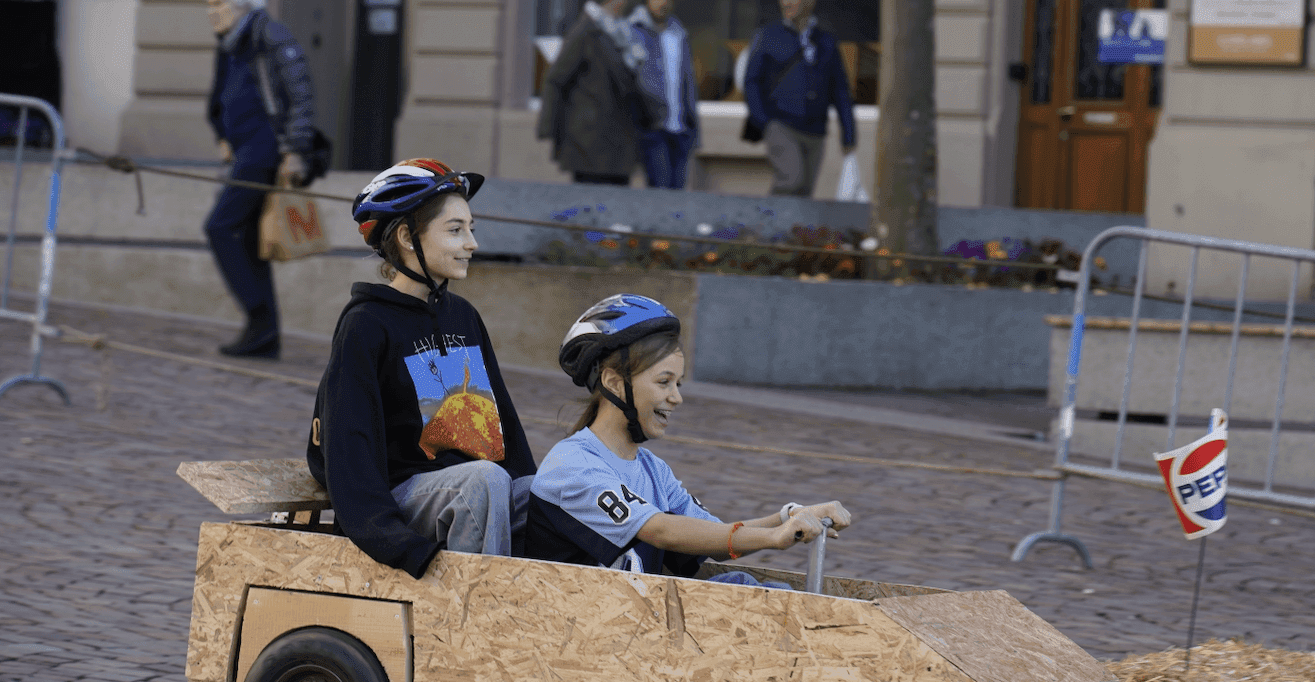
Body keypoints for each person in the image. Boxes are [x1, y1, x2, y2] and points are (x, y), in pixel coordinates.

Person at [307, 159, 536, 579]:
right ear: (406, 238)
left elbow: (506, 432)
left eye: (471, 228)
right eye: (455, 230)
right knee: (484, 483)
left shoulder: (464, 316)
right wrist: (396, 542)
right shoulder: (366, 324)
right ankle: (474, 619)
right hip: (402, 501)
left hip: (472, 488)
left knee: (552, 492)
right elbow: (347, 448)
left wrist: (537, 495)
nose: (472, 244)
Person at [527, 294, 850, 581]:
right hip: (580, 629)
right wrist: (775, 537)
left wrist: (789, 516)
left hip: (634, 623)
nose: (676, 398)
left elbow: (716, 538)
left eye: (678, 384)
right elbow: (662, 531)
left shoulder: (653, 469)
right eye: (664, 382)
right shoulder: (572, 464)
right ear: (613, 382)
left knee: (753, 589)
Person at [204, 0, 317, 359]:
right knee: (250, 240)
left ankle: (259, 318)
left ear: (242, 6)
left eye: (218, 4)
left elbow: (299, 91)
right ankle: (264, 335)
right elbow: (221, 96)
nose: (212, 12)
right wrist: (222, 134)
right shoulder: (230, 42)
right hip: (244, 150)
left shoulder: (268, 32)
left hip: (265, 148)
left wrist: (295, 150)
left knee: (220, 227)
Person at [536, 0, 659, 186]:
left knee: (614, 203)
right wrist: (549, 128)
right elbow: (557, 79)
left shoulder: (621, 32)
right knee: (591, 204)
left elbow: (630, 85)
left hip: (618, 143)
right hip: (589, 142)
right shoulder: (586, 30)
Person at [743, 0, 857, 198]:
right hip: (781, 125)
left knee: (805, 191)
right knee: (791, 179)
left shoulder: (826, 41)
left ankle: (794, 229)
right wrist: (764, 121)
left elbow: (840, 90)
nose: (785, 3)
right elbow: (751, 81)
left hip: (816, 131)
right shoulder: (768, 35)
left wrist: (848, 133)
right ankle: (771, 224)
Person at [628, 0, 699, 190]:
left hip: (681, 128)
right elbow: (632, 81)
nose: (663, 3)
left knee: (677, 190)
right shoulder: (634, 31)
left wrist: (693, 127)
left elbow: (687, 81)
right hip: (652, 127)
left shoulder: (678, 32)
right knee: (660, 189)